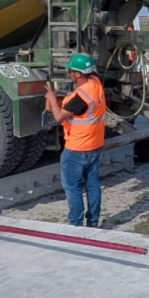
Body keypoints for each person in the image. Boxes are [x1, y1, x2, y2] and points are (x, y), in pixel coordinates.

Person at [44, 52, 107, 228]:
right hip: (95, 145)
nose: (69, 73)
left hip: (76, 149)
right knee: (93, 185)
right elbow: (92, 71)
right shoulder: (96, 83)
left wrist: (51, 99)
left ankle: (75, 224)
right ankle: (93, 222)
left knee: (73, 188)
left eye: (71, 70)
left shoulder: (81, 97)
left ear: (78, 74)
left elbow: (58, 117)